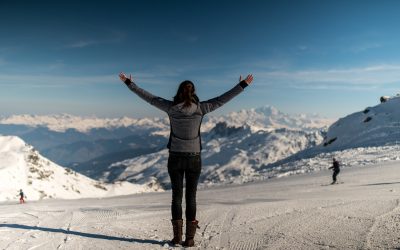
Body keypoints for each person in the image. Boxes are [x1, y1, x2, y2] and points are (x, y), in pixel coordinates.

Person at [119, 72, 253, 247]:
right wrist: (242, 85)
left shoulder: (170, 108)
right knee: (191, 196)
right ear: (194, 92)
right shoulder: (201, 108)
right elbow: (223, 99)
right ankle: (189, 239)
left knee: (176, 196)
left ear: (179, 92)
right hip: (194, 158)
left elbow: (149, 98)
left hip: (175, 156)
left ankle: (176, 238)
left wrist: (129, 83)